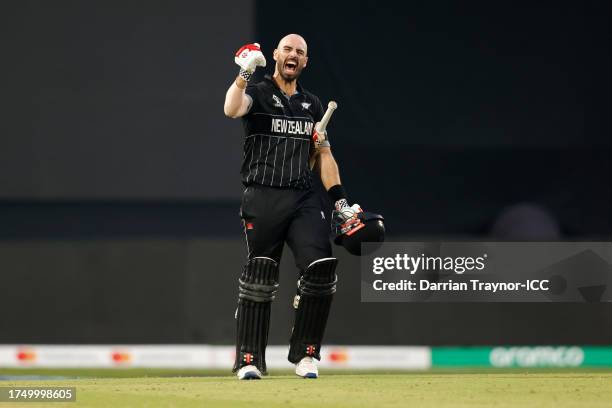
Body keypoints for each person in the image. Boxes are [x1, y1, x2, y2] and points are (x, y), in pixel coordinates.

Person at [223, 34, 363, 380]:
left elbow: (323, 156)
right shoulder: (257, 91)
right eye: (287, 49)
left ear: (305, 62)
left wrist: (340, 201)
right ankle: (249, 360)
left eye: (300, 52)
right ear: (275, 55)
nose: (293, 55)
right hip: (263, 196)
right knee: (260, 275)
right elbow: (231, 108)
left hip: (302, 198)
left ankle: (306, 355)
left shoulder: (313, 105)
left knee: (321, 267)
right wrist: (244, 74)